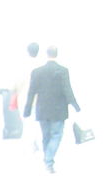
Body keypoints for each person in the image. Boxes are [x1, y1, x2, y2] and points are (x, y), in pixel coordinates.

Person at [23, 45, 81, 173]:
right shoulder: (63, 71)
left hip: (42, 109)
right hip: (58, 110)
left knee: (46, 136)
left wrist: (27, 110)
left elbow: (31, 92)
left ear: (46, 54)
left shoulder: (37, 72)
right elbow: (67, 90)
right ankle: (48, 160)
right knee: (56, 135)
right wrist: (75, 105)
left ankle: (47, 161)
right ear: (57, 54)